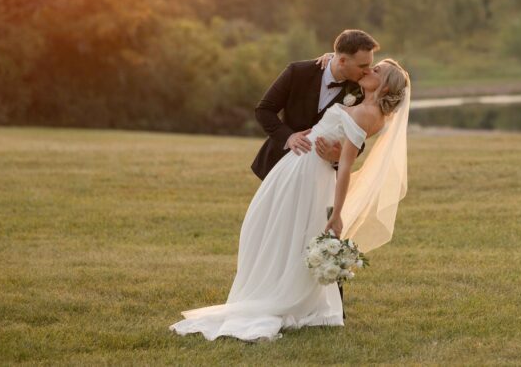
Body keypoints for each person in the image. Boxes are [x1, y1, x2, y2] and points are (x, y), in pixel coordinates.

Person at [170, 58, 411, 341]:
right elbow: (343, 64)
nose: (369, 69)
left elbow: (345, 166)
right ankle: (269, 287)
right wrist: (332, 57)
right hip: (298, 167)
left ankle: (279, 296)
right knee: (272, 228)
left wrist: (337, 213)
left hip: (310, 175)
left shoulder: (368, 113)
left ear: (385, 86)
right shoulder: (362, 101)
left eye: (376, 70)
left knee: (289, 231)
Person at [250, 29, 378, 180]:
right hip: (279, 163)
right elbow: (264, 110)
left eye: (369, 65)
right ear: (342, 61)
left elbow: (358, 138)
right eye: (362, 66)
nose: (368, 71)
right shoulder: (298, 72)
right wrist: (289, 137)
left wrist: (339, 155)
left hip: (320, 173)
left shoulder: (360, 92)